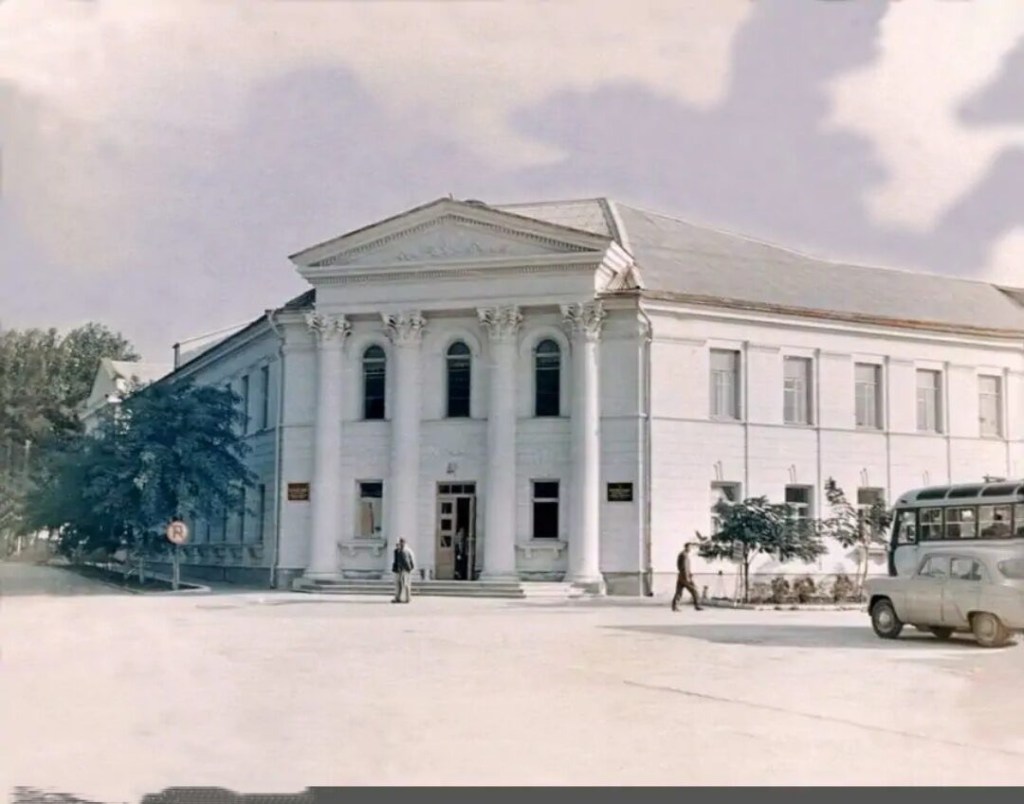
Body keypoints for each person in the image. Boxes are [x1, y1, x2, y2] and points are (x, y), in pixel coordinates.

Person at [672, 542, 703, 611]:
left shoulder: (682, 554)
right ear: (686, 547)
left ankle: (674, 606)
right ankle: (697, 606)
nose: (690, 549)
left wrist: (689, 573)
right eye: (690, 547)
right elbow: (684, 567)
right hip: (685, 577)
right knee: (694, 590)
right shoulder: (684, 555)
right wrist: (687, 577)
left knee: (679, 592)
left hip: (681, 576)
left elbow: (680, 566)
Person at [392, 537, 415, 603]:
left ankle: (408, 598)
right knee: (398, 584)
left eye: (401, 542)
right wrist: (396, 569)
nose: (400, 544)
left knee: (406, 584)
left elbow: (410, 560)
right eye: (399, 543)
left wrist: (410, 568)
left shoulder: (407, 550)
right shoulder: (397, 551)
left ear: (404, 543)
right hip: (399, 570)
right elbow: (396, 561)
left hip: (406, 569)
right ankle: (398, 598)